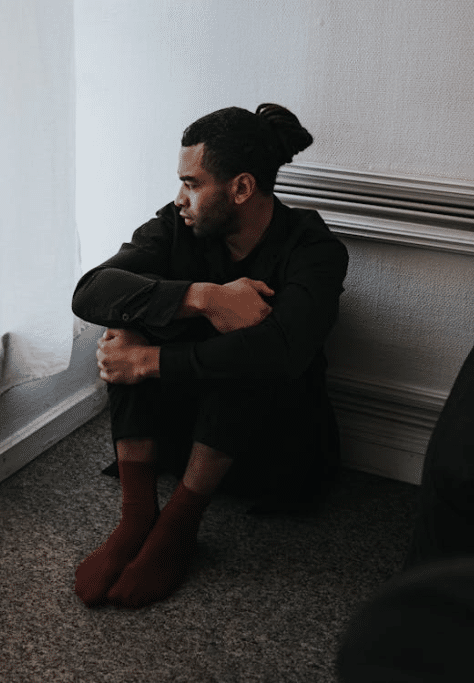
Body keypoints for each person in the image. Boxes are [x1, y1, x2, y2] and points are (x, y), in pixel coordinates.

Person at [71, 103, 349, 608]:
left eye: (193, 183)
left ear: (240, 188)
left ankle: (178, 526)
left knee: (253, 349)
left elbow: (285, 354)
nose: (181, 198)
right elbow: (91, 290)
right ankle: (137, 517)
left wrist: (149, 362)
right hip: (182, 434)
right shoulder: (179, 226)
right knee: (125, 321)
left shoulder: (314, 248)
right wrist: (205, 297)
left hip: (269, 448)